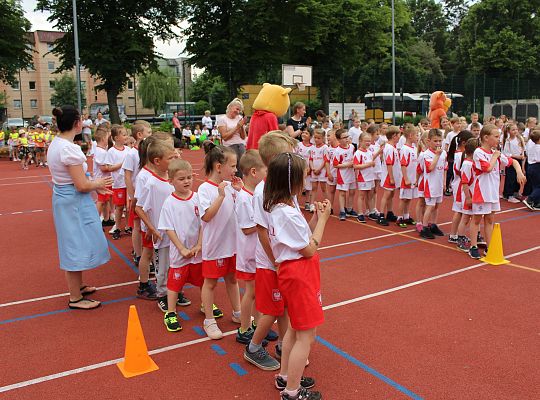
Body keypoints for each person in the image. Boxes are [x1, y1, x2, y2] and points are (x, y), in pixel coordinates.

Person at [263, 152, 331, 400]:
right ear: (292, 181)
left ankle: (285, 376)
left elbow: (302, 237)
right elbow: (310, 247)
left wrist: (314, 217)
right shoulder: (287, 212)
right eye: (304, 175)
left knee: (294, 328)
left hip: (296, 272)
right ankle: (292, 392)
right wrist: (324, 219)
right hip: (299, 273)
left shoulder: (285, 205)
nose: (307, 178)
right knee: (306, 335)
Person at [48, 105, 112, 310]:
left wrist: (95, 187)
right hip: (73, 201)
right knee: (75, 245)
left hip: (67, 199)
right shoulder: (68, 148)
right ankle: (75, 297)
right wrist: (99, 185)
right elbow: (81, 184)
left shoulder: (57, 143)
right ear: (77, 123)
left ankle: (79, 286)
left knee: (76, 242)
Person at [244, 131, 297, 371]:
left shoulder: (283, 187)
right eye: (288, 155)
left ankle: (285, 347)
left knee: (284, 306)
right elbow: (262, 230)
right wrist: (275, 260)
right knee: (272, 311)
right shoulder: (261, 192)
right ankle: (253, 348)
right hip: (270, 263)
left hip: (281, 260)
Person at [198, 142, 243, 339]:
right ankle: (209, 320)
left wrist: (239, 192)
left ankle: (238, 312)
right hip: (215, 247)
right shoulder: (205, 189)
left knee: (232, 279)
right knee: (210, 283)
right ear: (218, 167)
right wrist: (221, 195)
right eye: (232, 166)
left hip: (231, 245)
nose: (235, 170)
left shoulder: (232, 187)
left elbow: (241, 211)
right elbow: (207, 216)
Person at [159, 159, 204, 332]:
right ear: (171, 181)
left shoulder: (198, 198)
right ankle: (170, 312)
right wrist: (181, 248)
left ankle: (206, 304)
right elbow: (168, 228)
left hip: (197, 251)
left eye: (188, 177)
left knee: (203, 280)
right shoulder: (169, 202)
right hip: (180, 252)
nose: (186, 181)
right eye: (181, 179)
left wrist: (199, 244)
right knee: (175, 283)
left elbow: (203, 224)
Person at [468, 124, 526, 258]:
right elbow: (487, 168)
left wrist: (519, 172)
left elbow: (513, 162)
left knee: (489, 219)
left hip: (493, 192)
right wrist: (495, 156)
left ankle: (489, 246)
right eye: (496, 136)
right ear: (486, 138)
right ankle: (473, 246)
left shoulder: (496, 153)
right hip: (481, 191)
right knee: (476, 219)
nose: (498, 139)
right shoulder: (479, 152)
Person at [135, 141, 176, 312]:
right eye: (170, 158)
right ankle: (162, 294)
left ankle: (174, 291)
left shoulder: (173, 179)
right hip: (160, 234)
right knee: (162, 266)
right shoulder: (151, 183)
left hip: (174, 233)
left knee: (174, 264)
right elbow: (139, 208)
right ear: (157, 161)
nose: (174, 160)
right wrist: (151, 228)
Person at [235, 150, 266, 344]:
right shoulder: (245, 198)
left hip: (257, 251)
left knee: (259, 291)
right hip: (249, 252)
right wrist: (266, 223)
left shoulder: (253, 194)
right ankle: (244, 327)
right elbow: (247, 229)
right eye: (265, 170)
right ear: (254, 172)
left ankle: (258, 325)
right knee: (251, 291)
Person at [123, 122, 152, 266]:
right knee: (137, 225)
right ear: (140, 135)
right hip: (137, 195)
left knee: (147, 224)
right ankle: (138, 254)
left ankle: (147, 254)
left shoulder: (148, 152)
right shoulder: (131, 153)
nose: (151, 134)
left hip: (147, 194)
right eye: (149, 131)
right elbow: (127, 176)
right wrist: (131, 195)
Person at [419, 129, 447, 239]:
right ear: (428, 141)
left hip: (439, 183)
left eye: (440, 141)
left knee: (436, 206)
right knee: (429, 206)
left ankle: (433, 224)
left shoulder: (443, 153)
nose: (438, 143)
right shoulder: (426, 154)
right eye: (435, 141)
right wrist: (437, 155)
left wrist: (444, 183)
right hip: (430, 184)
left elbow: (444, 168)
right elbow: (430, 168)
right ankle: (424, 227)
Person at [448, 131, 474, 243]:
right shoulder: (460, 155)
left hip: (461, 184)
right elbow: (460, 171)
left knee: (460, 212)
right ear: (464, 143)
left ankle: (456, 235)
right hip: (460, 186)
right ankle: (454, 235)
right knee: (459, 211)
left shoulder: (459, 153)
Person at [106, 125, 130, 240]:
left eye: (126, 134)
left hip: (128, 183)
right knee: (119, 207)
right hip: (118, 183)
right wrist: (122, 164)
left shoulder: (128, 150)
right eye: (123, 135)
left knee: (129, 206)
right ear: (116, 138)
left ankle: (128, 226)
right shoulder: (111, 151)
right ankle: (117, 226)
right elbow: (109, 168)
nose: (126, 137)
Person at [353, 132, 382, 222]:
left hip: (370, 177)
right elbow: (356, 166)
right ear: (360, 141)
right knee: (362, 196)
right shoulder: (358, 153)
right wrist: (369, 164)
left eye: (369, 141)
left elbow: (372, 160)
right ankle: (360, 213)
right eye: (366, 141)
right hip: (363, 178)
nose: (368, 143)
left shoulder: (369, 152)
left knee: (370, 195)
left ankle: (371, 211)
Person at [455, 138, 477, 251]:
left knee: (471, 217)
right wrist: (468, 197)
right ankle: (460, 239)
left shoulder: (472, 163)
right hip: (468, 194)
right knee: (465, 217)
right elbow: (464, 182)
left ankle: (467, 237)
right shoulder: (467, 164)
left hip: (473, 194)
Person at [396, 125, 420, 228]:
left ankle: (406, 216)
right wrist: (406, 178)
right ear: (410, 136)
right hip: (407, 178)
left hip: (413, 177)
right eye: (416, 135)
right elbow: (403, 164)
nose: (418, 137)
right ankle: (399, 217)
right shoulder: (405, 149)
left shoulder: (414, 147)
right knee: (404, 198)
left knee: (409, 198)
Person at [216, 98, 247, 175]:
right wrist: (237, 127)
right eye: (236, 109)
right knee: (232, 168)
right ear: (230, 107)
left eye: (239, 110)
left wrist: (241, 126)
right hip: (230, 147)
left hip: (241, 145)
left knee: (243, 168)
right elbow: (225, 137)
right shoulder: (222, 119)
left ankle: (241, 185)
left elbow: (243, 137)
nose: (238, 112)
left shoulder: (239, 118)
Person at [378, 126, 401, 226]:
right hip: (389, 175)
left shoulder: (392, 147)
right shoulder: (390, 148)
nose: (400, 137)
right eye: (399, 135)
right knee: (386, 195)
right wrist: (391, 177)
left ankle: (390, 212)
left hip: (393, 175)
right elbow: (389, 163)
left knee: (391, 195)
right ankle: (381, 215)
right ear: (394, 136)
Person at [333, 128, 358, 220]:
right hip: (343, 175)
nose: (347, 139)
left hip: (351, 173)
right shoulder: (337, 151)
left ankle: (350, 209)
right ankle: (342, 210)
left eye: (347, 136)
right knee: (342, 193)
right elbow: (335, 165)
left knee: (352, 192)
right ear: (339, 140)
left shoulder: (352, 147)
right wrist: (347, 164)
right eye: (344, 137)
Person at [92, 127, 113, 225]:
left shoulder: (99, 150)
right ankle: (96, 221)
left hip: (103, 179)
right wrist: (115, 166)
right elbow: (103, 168)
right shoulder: (101, 152)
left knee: (105, 200)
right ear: (104, 139)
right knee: (101, 200)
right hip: (102, 179)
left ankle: (106, 218)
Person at [501, 123, 525, 203]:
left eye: (516, 129)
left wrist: (522, 155)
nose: (515, 131)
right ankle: (509, 194)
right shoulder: (508, 141)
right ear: (508, 131)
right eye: (513, 130)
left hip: (519, 160)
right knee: (511, 178)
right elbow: (506, 153)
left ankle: (515, 192)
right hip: (511, 161)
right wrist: (516, 156)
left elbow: (523, 147)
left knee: (517, 177)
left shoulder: (519, 138)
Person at [309, 129, 329, 207]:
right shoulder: (312, 148)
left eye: (319, 138)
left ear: (323, 138)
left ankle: (327, 204)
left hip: (322, 171)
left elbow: (325, 160)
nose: (316, 140)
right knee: (314, 188)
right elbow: (310, 159)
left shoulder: (325, 147)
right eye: (315, 138)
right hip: (314, 171)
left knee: (324, 188)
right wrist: (313, 168)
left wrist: (319, 169)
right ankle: (311, 204)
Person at [295, 128, 313, 211]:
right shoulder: (299, 145)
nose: (304, 134)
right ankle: (296, 202)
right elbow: (295, 155)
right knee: (298, 187)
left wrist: (309, 168)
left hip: (308, 169)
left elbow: (311, 158)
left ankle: (307, 202)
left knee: (308, 187)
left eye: (306, 133)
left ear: (310, 136)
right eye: (303, 133)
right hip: (299, 168)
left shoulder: (312, 147)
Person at [523, 129, 540, 210]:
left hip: (530, 166)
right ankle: (530, 199)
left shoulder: (532, 146)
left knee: (535, 185)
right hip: (537, 167)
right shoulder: (538, 148)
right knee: (539, 186)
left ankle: (536, 203)